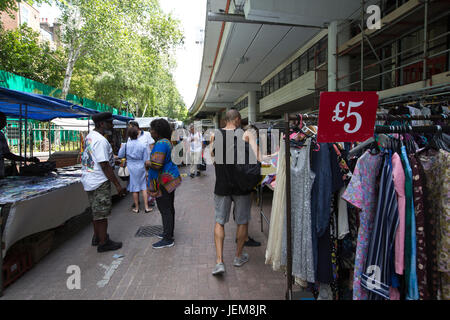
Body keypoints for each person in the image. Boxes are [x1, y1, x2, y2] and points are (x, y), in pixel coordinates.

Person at [210, 109, 260, 275]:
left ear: (226, 120)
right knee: (242, 221)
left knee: (219, 221)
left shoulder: (215, 135)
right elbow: (258, 158)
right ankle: (238, 257)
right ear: (237, 119)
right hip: (242, 186)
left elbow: (213, 159)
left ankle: (219, 261)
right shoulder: (247, 135)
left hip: (222, 185)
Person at [81, 112, 126, 253]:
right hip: (99, 181)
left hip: (89, 179)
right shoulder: (100, 140)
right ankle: (103, 242)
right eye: (109, 123)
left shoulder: (90, 136)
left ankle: (97, 237)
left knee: (96, 212)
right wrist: (118, 185)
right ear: (102, 124)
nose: (112, 125)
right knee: (102, 214)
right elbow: (104, 165)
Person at [146, 118, 182, 249]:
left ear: (157, 131)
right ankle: (168, 233)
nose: (150, 132)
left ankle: (168, 238)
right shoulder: (166, 141)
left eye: (151, 129)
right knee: (169, 207)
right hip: (169, 179)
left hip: (163, 182)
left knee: (165, 209)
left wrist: (147, 162)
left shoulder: (161, 143)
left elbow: (156, 164)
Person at [118, 126, 152, 213]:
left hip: (131, 167)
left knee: (134, 188)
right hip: (141, 166)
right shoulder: (142, 145)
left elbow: (120, 155)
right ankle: (146, 207)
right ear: (137, 134)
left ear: (129, 135)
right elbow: (146, 159)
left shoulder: (125, 145)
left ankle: (136, 208)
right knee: (144, 187)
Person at [0, 112, 40, 179]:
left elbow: (7, 154)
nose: (5, 123)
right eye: (3, 120)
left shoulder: (1, 135)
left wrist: (27, 159)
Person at [128, 121, 155, 208]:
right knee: (137, 183)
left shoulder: (147, 134)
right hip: (137, 164)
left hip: (147, 161)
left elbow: (151, 146)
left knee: (147, 181)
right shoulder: (130, 138)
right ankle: (137, 201)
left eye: (131, 127)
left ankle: (149, 199)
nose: (129, 128)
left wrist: (152, 159)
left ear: (136, 127)